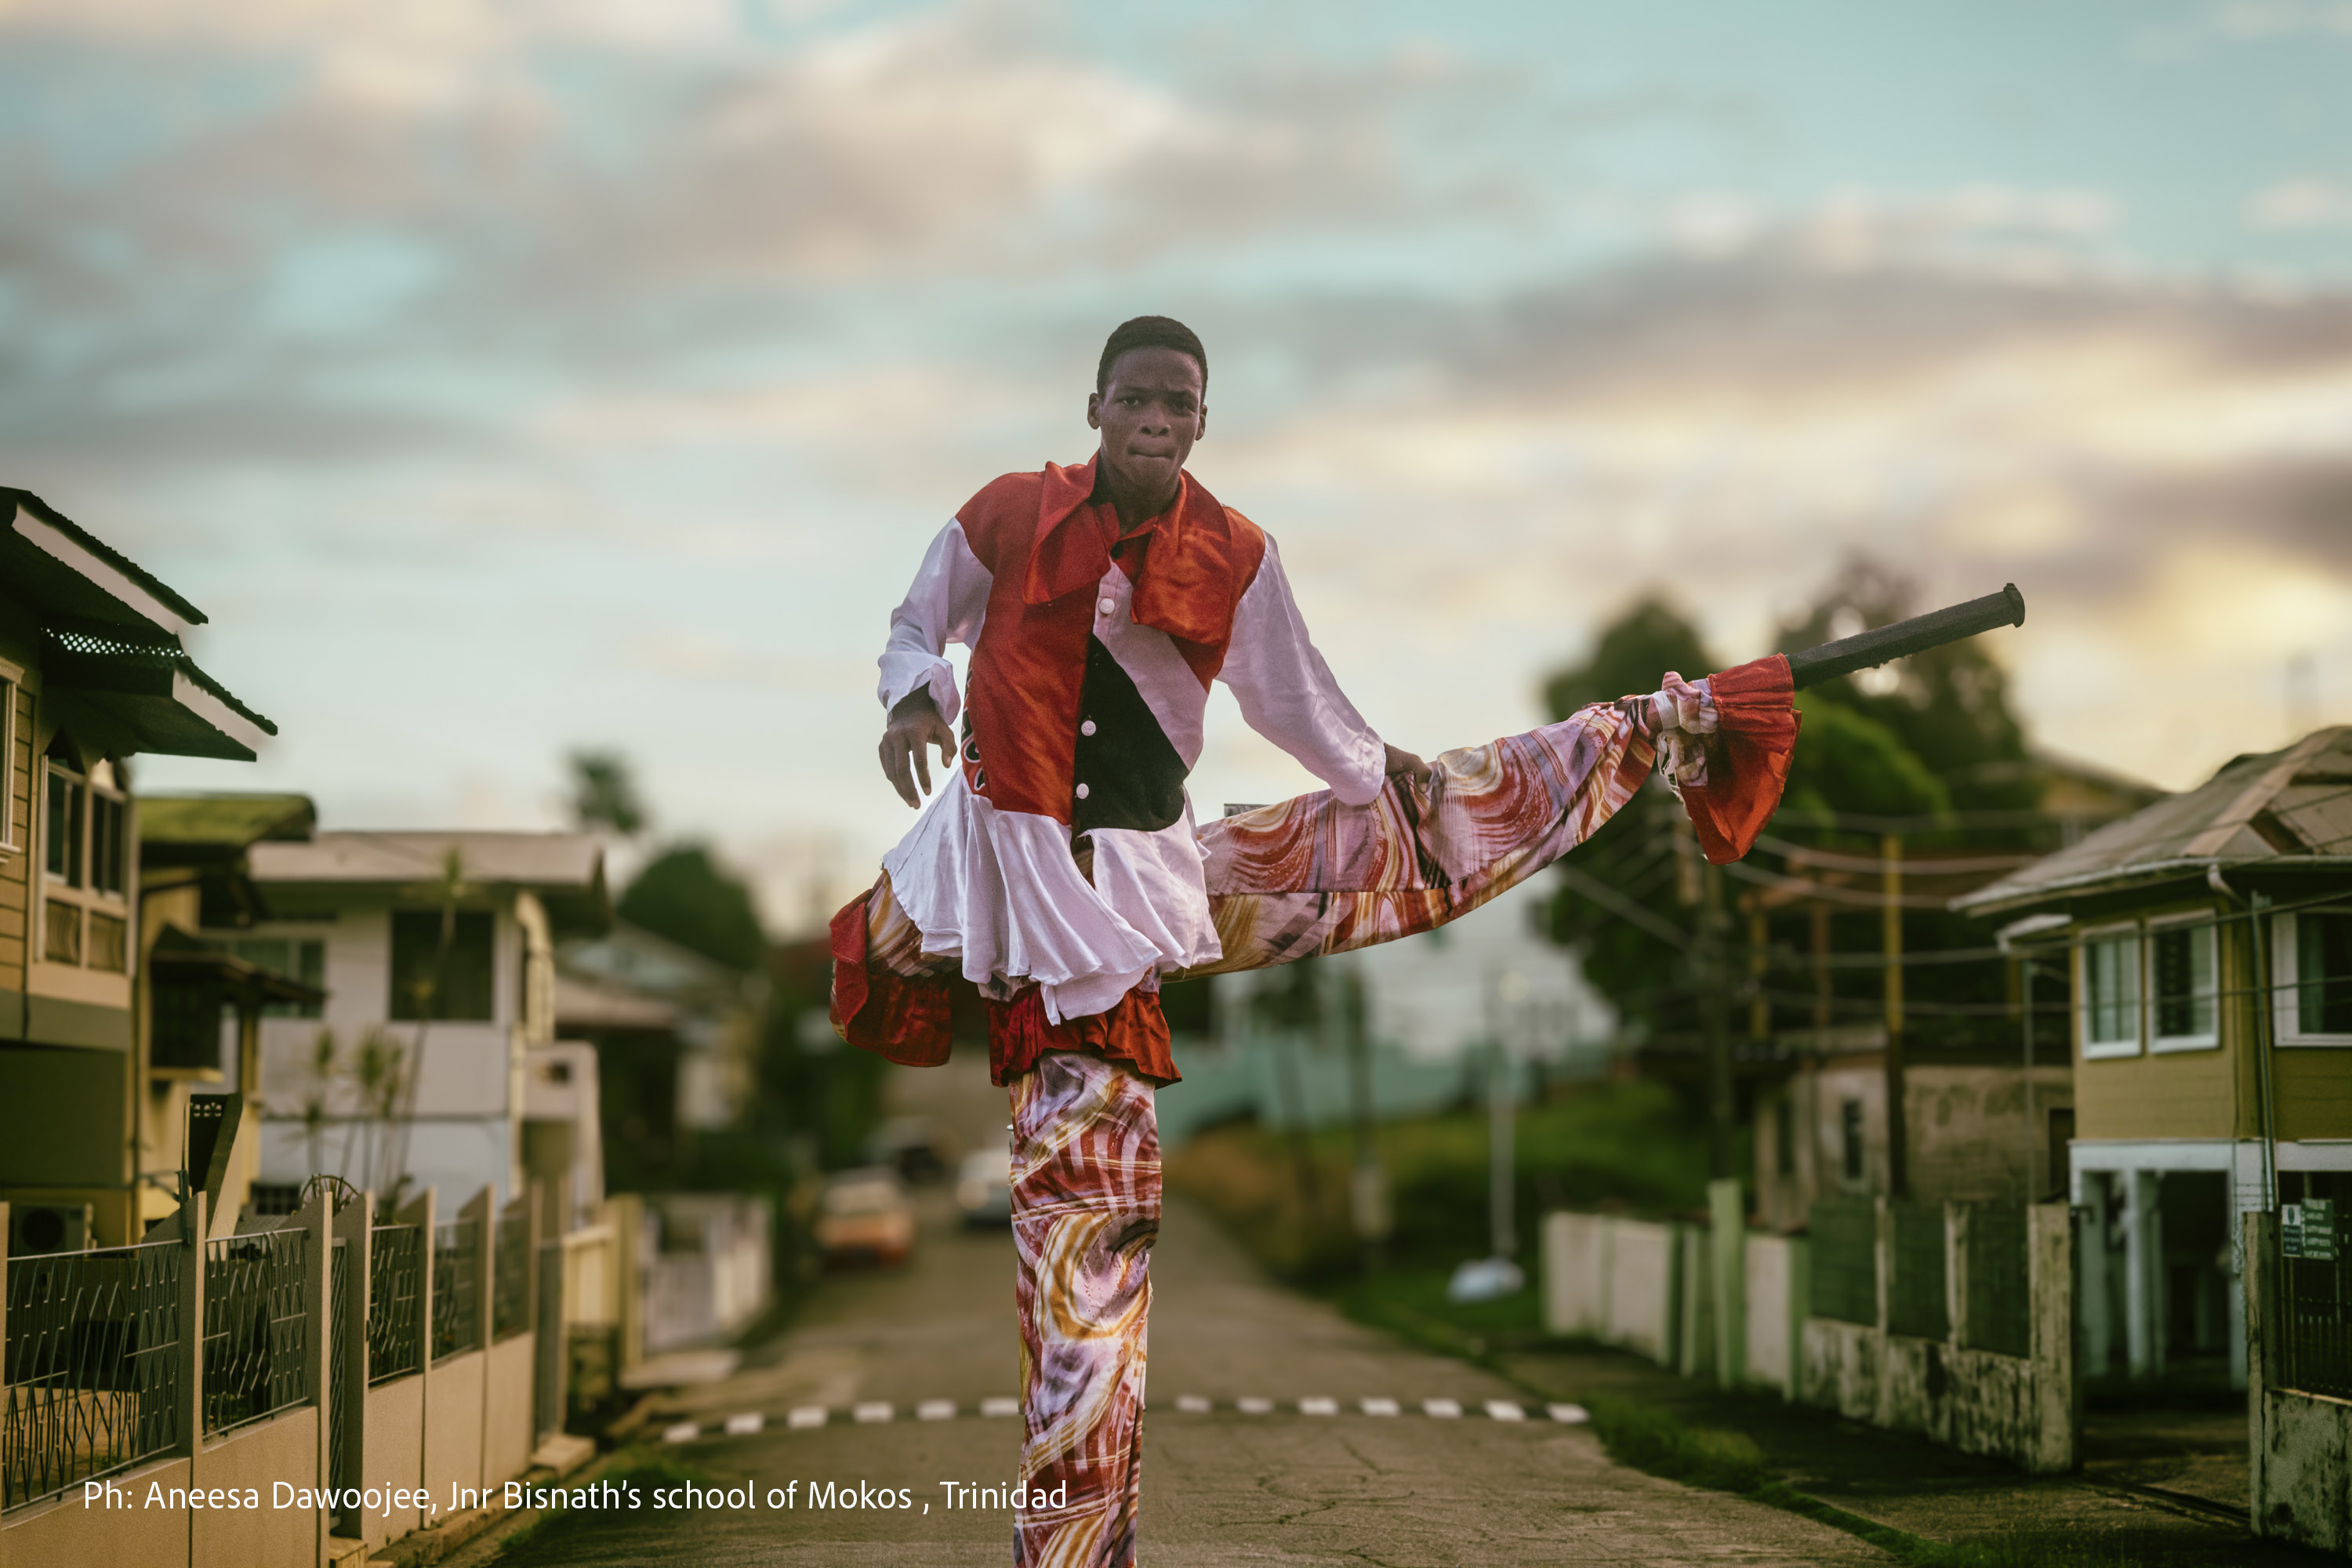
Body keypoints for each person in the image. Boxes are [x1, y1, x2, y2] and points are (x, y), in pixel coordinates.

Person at [830, 315, 1800, 1568]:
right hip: (990, 856)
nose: (1155, 419)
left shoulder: (1237, 554)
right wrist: (914, 696)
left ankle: (1654, 733)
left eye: (1179, 403)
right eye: (1135, 397)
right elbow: (917, 622)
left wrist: (1378, 767)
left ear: (1199, 423)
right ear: (1095, 407)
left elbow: (1301, 702)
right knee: (874, 939)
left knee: (1391, 838)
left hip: (1133, 905)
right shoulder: (1010, 512)